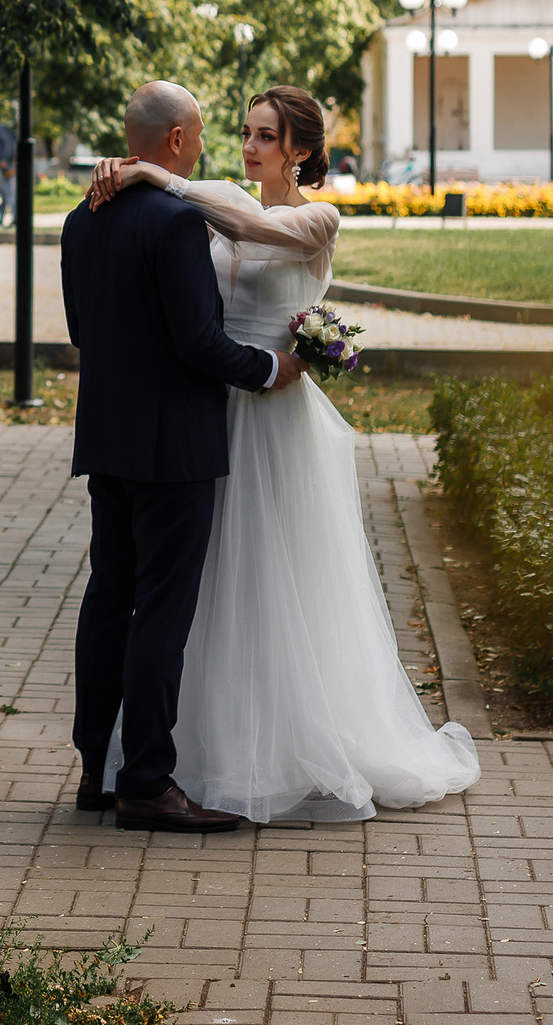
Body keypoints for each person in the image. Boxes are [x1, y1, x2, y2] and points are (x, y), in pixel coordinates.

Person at [86, 86, 479, 824]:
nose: (249, 146)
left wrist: (152, 172)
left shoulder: (317, 216)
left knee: (277, 580)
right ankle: (186, 750)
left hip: (279, 414)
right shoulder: (217, 195)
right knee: (201, 590)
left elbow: (253, 227)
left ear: (300, 148)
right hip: (212, 407)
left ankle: (283, 744)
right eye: (243, 132)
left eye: (266, 136)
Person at [59, 82, 295, 833]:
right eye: (198, 134)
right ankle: (149, 782)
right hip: (176, 448)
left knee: (107, 599)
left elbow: (80, 328)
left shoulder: (79, 219)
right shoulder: (176, 223)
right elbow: (200, 343)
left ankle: (94, 765)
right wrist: (267, 370)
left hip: (107, 438)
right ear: (175, 140)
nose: (204, 146)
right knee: (162, 612)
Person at [0, 115, 20, 227]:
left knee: (9, 192)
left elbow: (7, 146)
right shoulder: (6, 130)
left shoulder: (0, 131)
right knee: (5, 193)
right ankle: (2, 218)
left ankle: (14, 218)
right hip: (8, 164)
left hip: (6, 165)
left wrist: (3, 160)